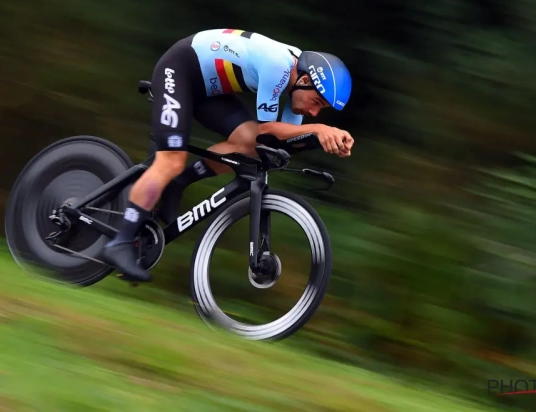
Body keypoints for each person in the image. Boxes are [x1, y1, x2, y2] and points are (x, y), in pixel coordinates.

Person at [101, 28, 354, 281]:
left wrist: (326, 141)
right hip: (181, 69)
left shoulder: (298, 84)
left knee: (249, 145)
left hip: (210, 91)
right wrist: (320, 129)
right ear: (306, 81)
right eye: (317, 103)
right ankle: (120, 242)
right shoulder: (279, 66)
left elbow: (279, 142)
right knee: (171, 160)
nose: (314, 113)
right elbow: (267, 128)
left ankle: (179, 183)